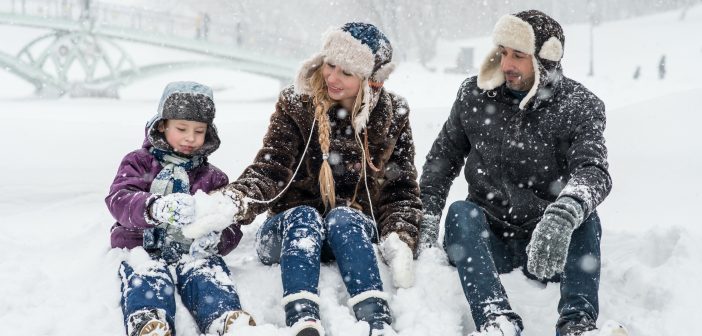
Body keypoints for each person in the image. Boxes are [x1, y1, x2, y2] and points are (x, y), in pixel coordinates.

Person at [212, 22, 422, 336]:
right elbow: (272, 167)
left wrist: (401, 236)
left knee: (343, 217)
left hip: (350, 234)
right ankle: (303, 319)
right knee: (304, 216)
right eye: (330, 64)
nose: (332, 77)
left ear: (372, 83)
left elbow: (400, 188)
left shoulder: (393, 115)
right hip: (289, 231)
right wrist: (236, 199)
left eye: (346, 73)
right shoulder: (297, 105)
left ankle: (376, 320)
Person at [418, 10, 611, 336]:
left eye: (518, 56)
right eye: (503, 52)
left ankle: (578, 324)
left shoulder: (579, 106)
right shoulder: (474, 96)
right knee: (460, 213)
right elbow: (441, 162)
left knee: (585, 216)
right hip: (487, 242)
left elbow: (593, 170)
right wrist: (424, 221)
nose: (506, 64)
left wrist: (563, 214)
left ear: (545, 59)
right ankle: (497, 320)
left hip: (549, 244)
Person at [106, 82, 255, 336]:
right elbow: (119, 199)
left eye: (199, 131)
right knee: (147, 275)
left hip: (191, 252)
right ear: (162, 125)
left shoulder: (213, 178)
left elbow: (229, 222)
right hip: (142, 245)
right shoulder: (139, 162)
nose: (190, 138)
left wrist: (217, 237)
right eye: (182, 129)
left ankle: (224, 318)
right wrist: (154, 207)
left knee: (206, 273)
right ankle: (149, 320)